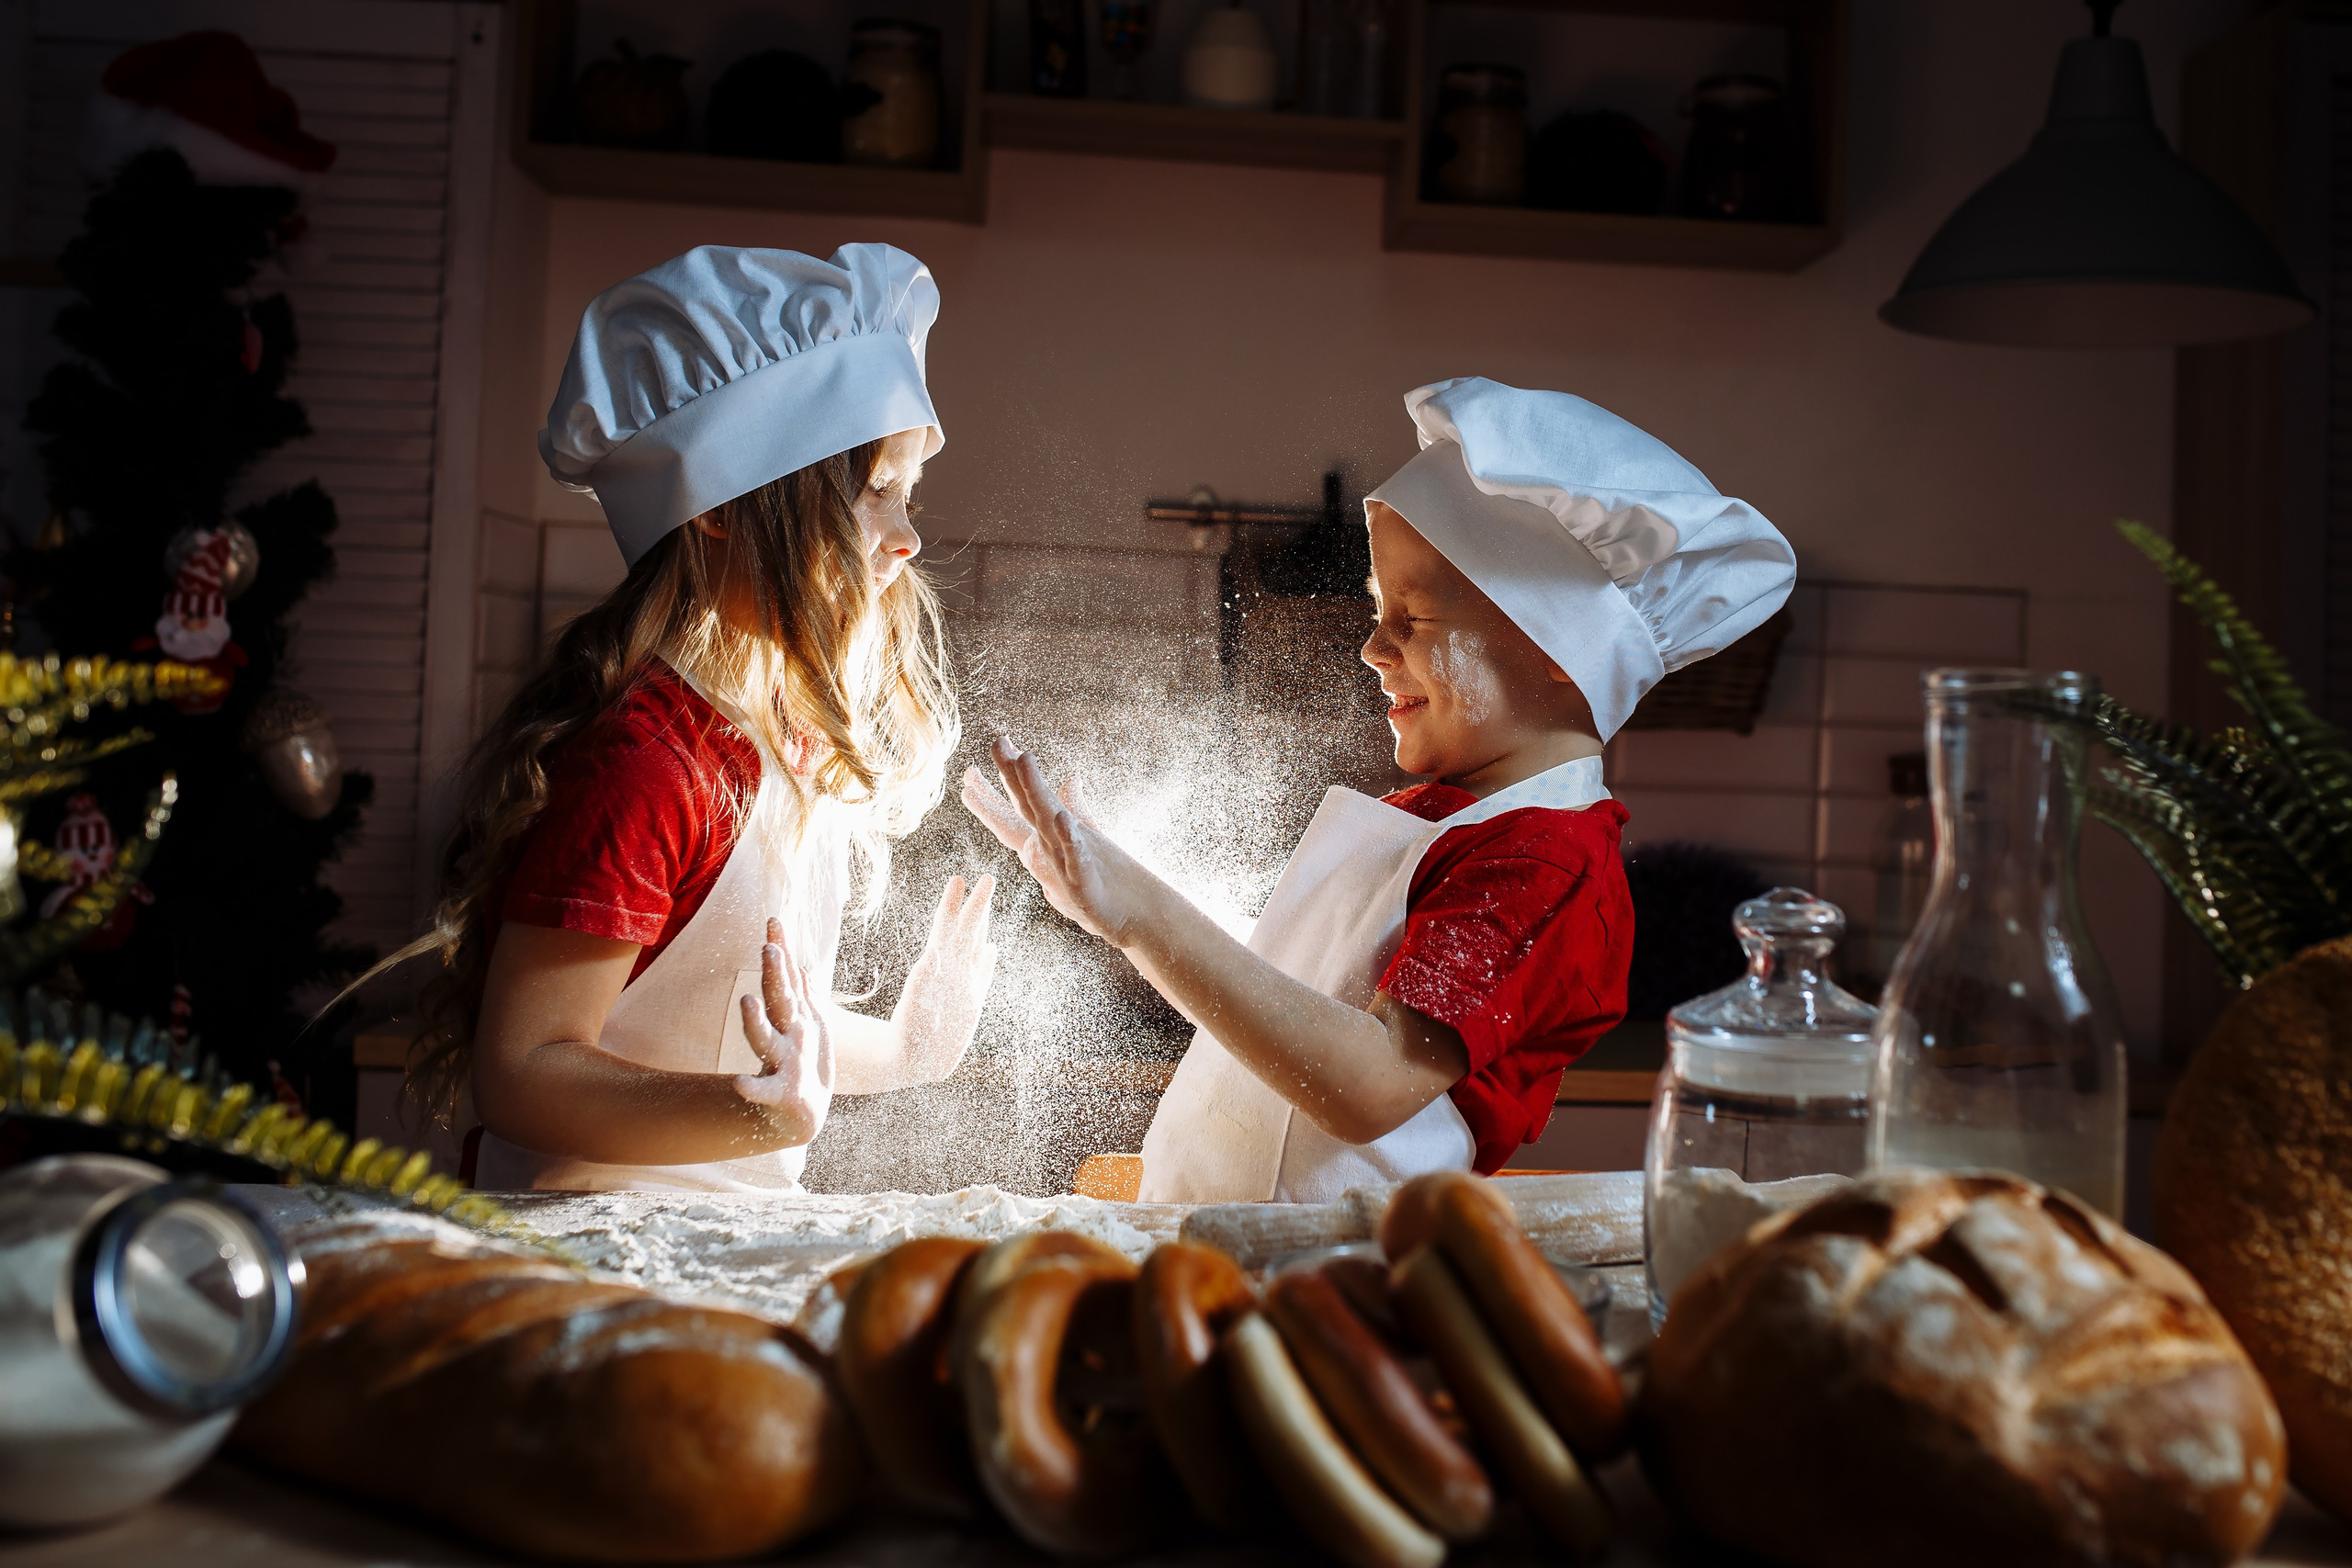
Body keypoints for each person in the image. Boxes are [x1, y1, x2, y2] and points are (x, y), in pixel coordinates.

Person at [966, 378, 1794, 1202]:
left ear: (1557, 649)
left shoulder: (1547, 861)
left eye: (1413, 617)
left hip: (1339, 1265)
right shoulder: (1435, 819)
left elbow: (1368, 1084)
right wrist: (1112, 898)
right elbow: (1281, 1002)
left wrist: (1141, 913)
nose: (1372, 647)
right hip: (1228, 1241)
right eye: (1378, 610)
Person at [391, 243, 995, 1192]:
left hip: (703, 1247)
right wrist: (750, 1114)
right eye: (874, 494)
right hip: (581, 1252)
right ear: (723, 508)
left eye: (906, 498)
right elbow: (523, 1068)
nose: (908, 538)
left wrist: (907, 1050)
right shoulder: (647, 764)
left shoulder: (780, 741)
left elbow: (731, 1022)